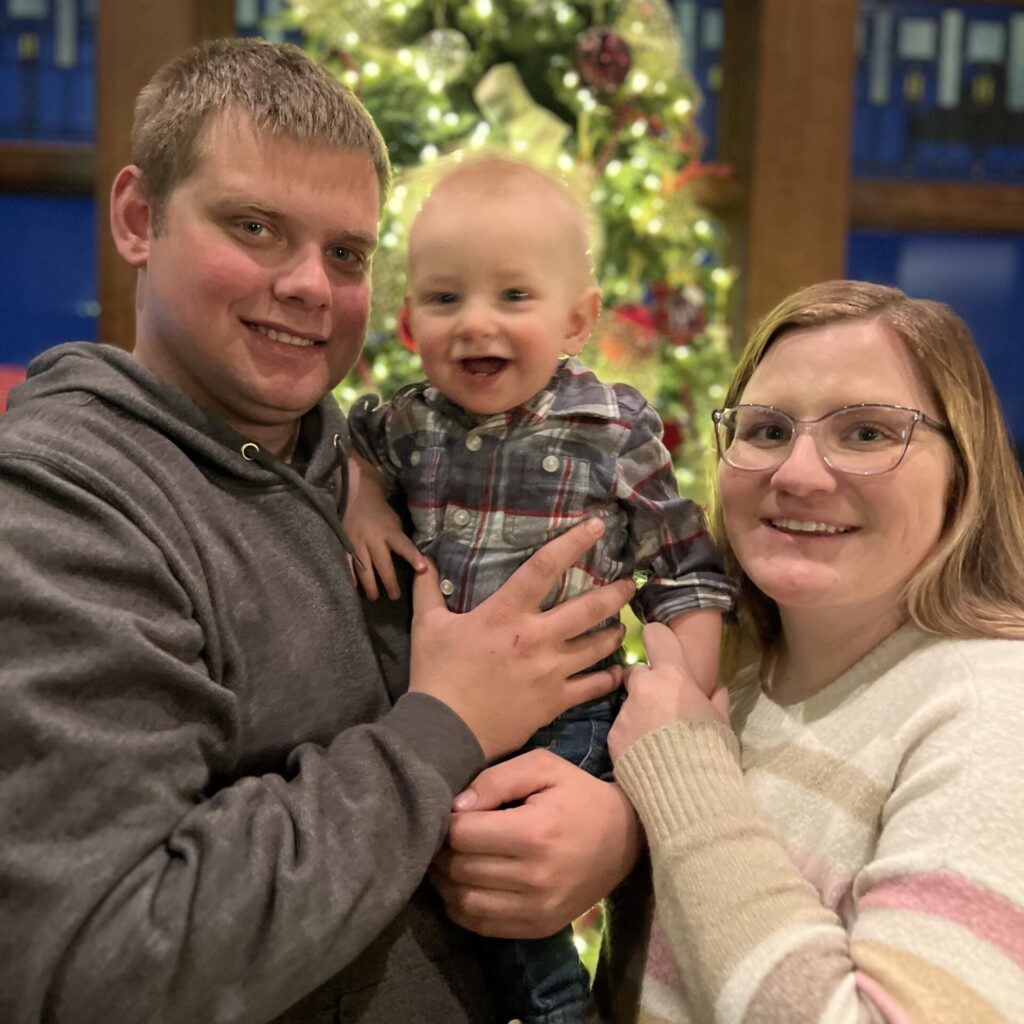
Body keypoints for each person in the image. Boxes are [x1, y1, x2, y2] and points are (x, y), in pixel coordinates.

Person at [0, 39, 641, 1024]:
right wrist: (444, 726)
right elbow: (103, 960)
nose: (309, 285)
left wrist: (610, 828)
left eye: (346, 252)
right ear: (138, 218)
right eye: (254, 227)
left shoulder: (404, 455)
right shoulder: (58, 500)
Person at [342, 154, 734, 1024]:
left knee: (502, 852)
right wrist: (364, 499)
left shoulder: (612, 428)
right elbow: (352, 441)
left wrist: (689, 700)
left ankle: (563, 1011)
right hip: (442, 707)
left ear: (576, 319)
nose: (476, 323)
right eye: (446, 299)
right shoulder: (404, 421)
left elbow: (683, 569)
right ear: (408, 321)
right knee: (450, 869)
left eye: (513, 297)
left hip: (569, 711)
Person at [601, 280, 1024, 1022]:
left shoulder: (995, 711)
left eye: (866, 433)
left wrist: (685, 773)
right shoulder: (730, 682)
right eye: (766, 430)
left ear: (966, 472)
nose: (796, 474)